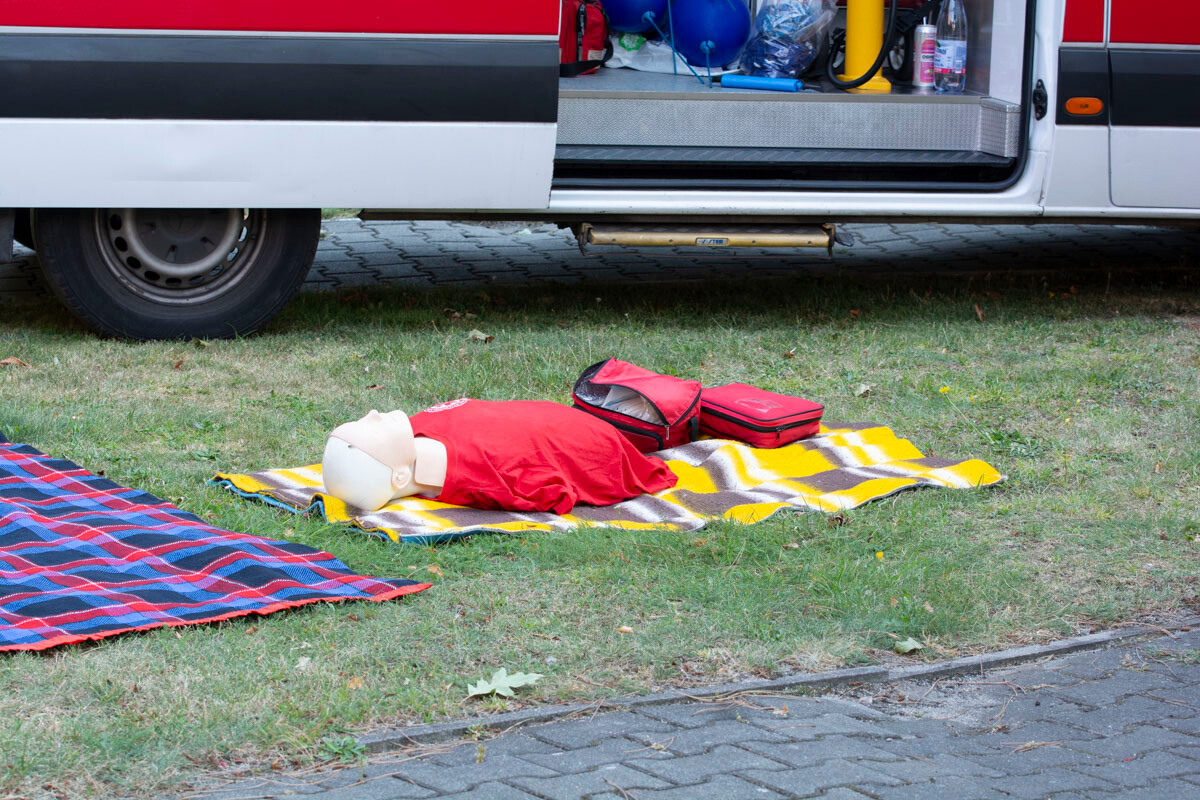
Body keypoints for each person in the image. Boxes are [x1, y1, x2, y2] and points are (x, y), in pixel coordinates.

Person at [322, 399, 678, 514]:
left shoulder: (413, 431)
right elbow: (553, 490)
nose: (372, 413)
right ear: (399, 477)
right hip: (594, 446)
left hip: (571, 425)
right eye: (371, 430)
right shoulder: (494, 474)